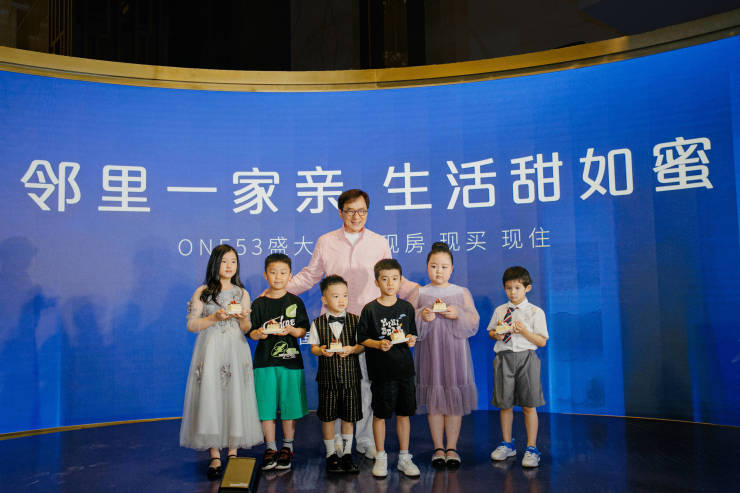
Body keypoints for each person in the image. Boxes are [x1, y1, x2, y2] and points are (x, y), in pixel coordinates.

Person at [286, 188, 418, 459]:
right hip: (336, 323)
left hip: (370, 323)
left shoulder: (379, 242)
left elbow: (390, 277)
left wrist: (422, 293)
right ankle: (336, 441)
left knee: (368, 384)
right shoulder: (326, 241)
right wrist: (278, 290)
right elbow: (310, 275)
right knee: (337, 385)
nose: (356, 216)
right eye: (350, 211)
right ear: (340, 212)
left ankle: (365, 440)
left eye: (362, 211)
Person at [180, 244, 263, 480]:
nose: (229, 266)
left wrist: (244, 318)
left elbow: (246, 328)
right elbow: (192, 325)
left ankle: (233, 452)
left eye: (233, 261)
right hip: (211, 349)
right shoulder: (203, 292)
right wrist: (214, 318)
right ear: (215, 263)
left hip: (236, 349)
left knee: (235, 396)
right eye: (225, 261)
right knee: (211, 397)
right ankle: (215, 454)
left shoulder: (242, 293)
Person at [413, 241, 479, 470]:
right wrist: (422, 315)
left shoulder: (461, 292)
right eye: (433, 266)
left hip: (455, 353)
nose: (438, 271)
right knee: (434, 401)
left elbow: (473, 320)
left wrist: (458, 313)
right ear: (427, 267)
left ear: (452, 268)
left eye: (443, 267)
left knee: (453, 401)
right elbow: (408, 321)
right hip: (429, 354)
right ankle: (438, 448)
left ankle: (452, 448)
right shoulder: (420, 292)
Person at [358, 259, 420, 479]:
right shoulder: (370, 309)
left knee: (404, 414)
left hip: (404, 371)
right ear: (377, 282)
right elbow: (362, 338)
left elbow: (412, 334)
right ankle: (381, 457)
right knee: (380, 415)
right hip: (382, 372)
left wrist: (411, 340)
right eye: (384, 279)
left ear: (401, 281)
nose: (390, 283)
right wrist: (377, 344)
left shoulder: (406, 308)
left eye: (394, 278)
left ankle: (404, 457)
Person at [249, 253, 309, 471]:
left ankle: (288, 446)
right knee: (265, 407)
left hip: (290, 362)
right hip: (264, 363)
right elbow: (251, 332)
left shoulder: (295, 301)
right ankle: (270, 448)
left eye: (283, 273)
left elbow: (303, 330)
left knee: (289, 407)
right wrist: (259, 334)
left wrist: (292, 330)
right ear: (266, 275)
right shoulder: (258, 304)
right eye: (273, 272)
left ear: (290, 275)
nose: (278, 277)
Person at [487, 266, 548, 468]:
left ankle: (531, 447)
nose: (512, 292)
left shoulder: (535, 312)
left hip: (526, 358)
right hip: (503, 357)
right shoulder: (500, 311)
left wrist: (524, 332)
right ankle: (507, 444)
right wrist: (496, 334)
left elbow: (541, 341)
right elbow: (491, 332)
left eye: (517, 288)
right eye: (508, 288)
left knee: (529, 404)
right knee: (505, 404)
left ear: (527, 288)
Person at [308, 275, 364, 474]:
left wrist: (352, 349)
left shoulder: (356, 321)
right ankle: (331, 454)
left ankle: (347, 454)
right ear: (324, 299)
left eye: (345, 296)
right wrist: (321, 351)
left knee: (349, 417)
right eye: (336, 296)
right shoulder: (318, 323)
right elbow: (313, 347)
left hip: (350, 378)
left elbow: (361, 345)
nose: (342, 300)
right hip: (327, 379)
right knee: (328, 417)